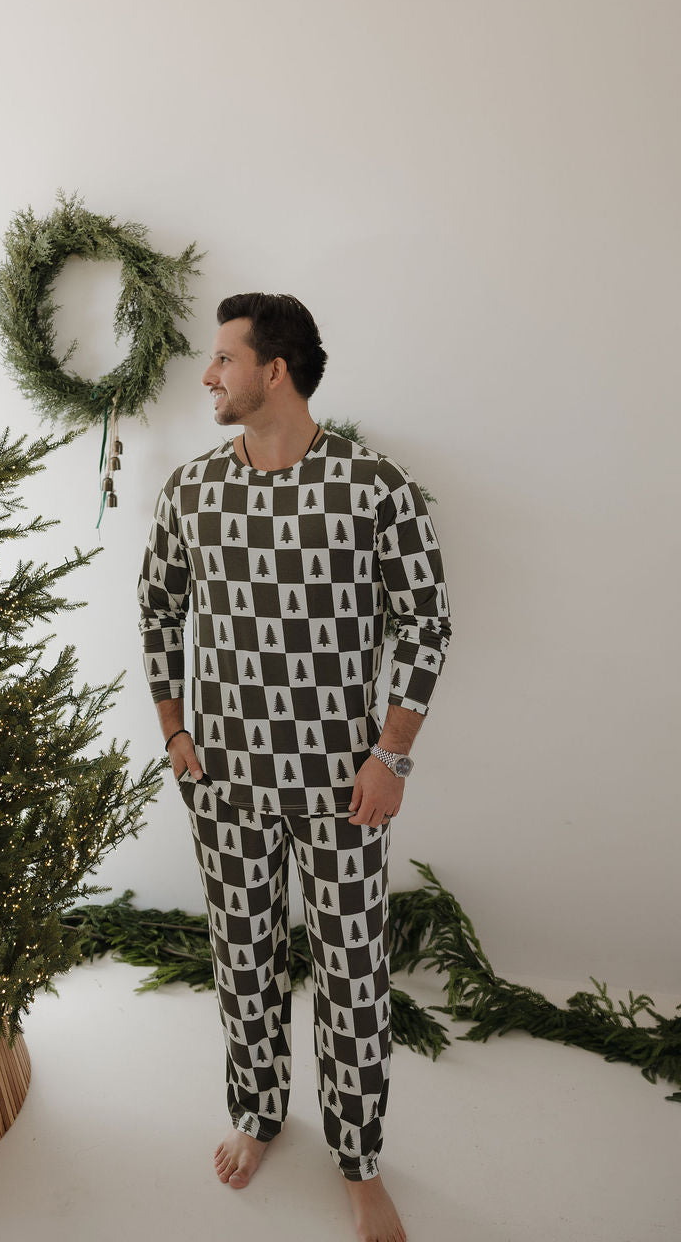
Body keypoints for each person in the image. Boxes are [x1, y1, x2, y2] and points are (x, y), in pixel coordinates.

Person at [137, 293, 452, 1242]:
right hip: (224, 780)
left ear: (274, 371)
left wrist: (392, 754)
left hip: (342, 787)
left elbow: (427, 623)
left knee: (352, 977)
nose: (208, 376)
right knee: (243, 960)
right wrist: (176, 734)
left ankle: (359, 1162)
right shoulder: (191, 490)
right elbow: (158, 611)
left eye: (223, 359)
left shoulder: (373, 485)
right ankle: (260, 1111)